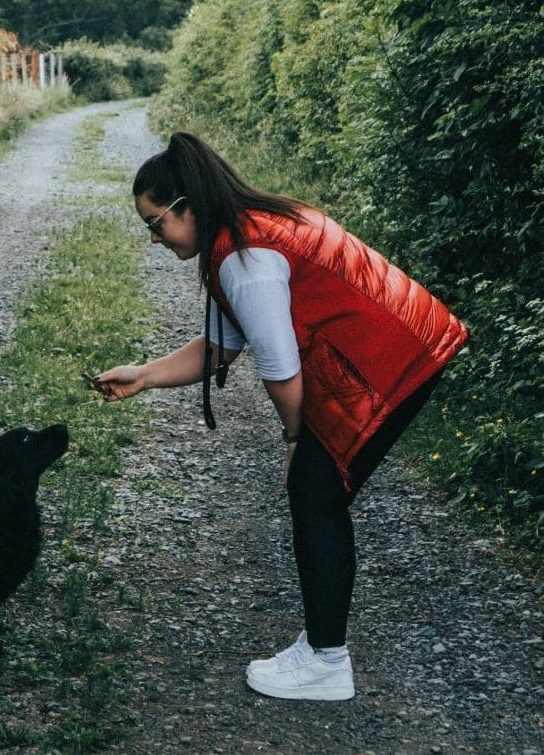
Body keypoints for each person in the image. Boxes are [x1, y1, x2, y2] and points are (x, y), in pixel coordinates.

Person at [92, 131, 468, 701]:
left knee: (315, 492)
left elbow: (281, 370)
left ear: (186, 205)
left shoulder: (245, 259)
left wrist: (297, 438)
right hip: (410, 343)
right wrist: (142, 374)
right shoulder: (252, 226)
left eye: (154, 223)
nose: (153, 238)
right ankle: (322, 647)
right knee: (317, 493)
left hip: (397, 361)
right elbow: (225, 342)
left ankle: (326, 662)